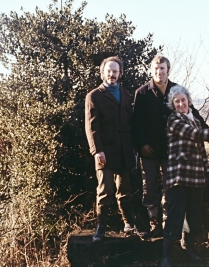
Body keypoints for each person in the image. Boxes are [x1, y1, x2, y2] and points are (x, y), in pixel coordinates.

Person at [161, 85, 209, 266]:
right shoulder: (173, 120)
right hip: (179, 176)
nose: (180, 104)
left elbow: (201, 150)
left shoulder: (194, 119)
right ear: (173, 104)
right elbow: (196, 135)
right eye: (177, 101)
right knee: (175, 215)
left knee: (194, 216)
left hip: (196, 177)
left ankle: (187, 249)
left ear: (189, 100)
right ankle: (166, 255)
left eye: (183, 100)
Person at [132, 55, 209, 238]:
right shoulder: (142, 93)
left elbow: (190, 111)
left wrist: (205, 128)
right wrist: (142, 144)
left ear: (168, 70)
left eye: (163, 69)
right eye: (156, 69)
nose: (159, 72)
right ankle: (154, 224)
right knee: (150, 187)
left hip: (172, 152)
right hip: (149, 150)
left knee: (171, 189)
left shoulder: (176, 90)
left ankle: (170, 225)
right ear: (151, 70)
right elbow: (136, 123)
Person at [85, 56, 137, 242]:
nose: (112, 74)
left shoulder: (126, 94)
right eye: (109, 71)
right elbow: (91, 127)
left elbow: (131, 124)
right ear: (103, 73)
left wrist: (133, 149)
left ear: (120, 73)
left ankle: (129, 224)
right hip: (104, 151)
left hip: (124, 151)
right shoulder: (94, 96)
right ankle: (100, 227)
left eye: (115, 71)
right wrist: (97, 151)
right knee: (105, 190)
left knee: (125, 190)